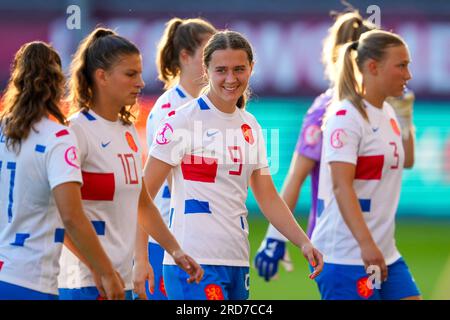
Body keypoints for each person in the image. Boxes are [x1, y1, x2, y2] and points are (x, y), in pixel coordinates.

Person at [143, 30, 323, 300]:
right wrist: (168, 251)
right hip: (193, 263)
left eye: (239, 69)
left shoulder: (250, 125)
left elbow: (268, 195)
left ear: (251, 68)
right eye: (221, 70)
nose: (231, 78)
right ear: (206, 70)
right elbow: (141, 195)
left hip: (237, 260)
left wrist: (303, 242)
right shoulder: (181, 121)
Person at [57, 28, 203, 300]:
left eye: (139, 73)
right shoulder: (74, 133)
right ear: (101, 76)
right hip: (83, 283)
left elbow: (143, 203)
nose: (140, 82)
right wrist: (100, 271)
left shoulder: (126, 132)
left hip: (118, 281)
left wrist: (176, 251)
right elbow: (60, 217)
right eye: (130, 74)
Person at [254, 10, 377, 282]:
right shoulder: (334, 110)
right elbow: (296, 178)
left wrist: (274, 239)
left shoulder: (346, 109)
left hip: (358, 239)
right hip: (344, 242)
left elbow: (296, 177)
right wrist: (277, 236)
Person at [0, 41, 124, 300]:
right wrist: (107, 272)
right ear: (58, 83)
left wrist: (92, 266)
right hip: (30, 280)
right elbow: (72, 217)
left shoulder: (3, 130)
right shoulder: (58, 137)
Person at [310, 29, 421, 300]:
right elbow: (341, 186)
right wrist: (366, 244)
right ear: (372, 67)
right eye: (401, 66)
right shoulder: (346, 116)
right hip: (346, 255)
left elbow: (407, 161)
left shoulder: (388, 111)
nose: (408, 75)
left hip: (385, 252)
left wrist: (407, 122)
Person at [134, 18, 216, 300]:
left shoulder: (211, 107)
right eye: (208, 53)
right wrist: (141, 255)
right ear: (184, 56)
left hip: (205, 237)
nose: (215, 61)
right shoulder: (169, 110)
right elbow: (147, 191)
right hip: (169, 238)